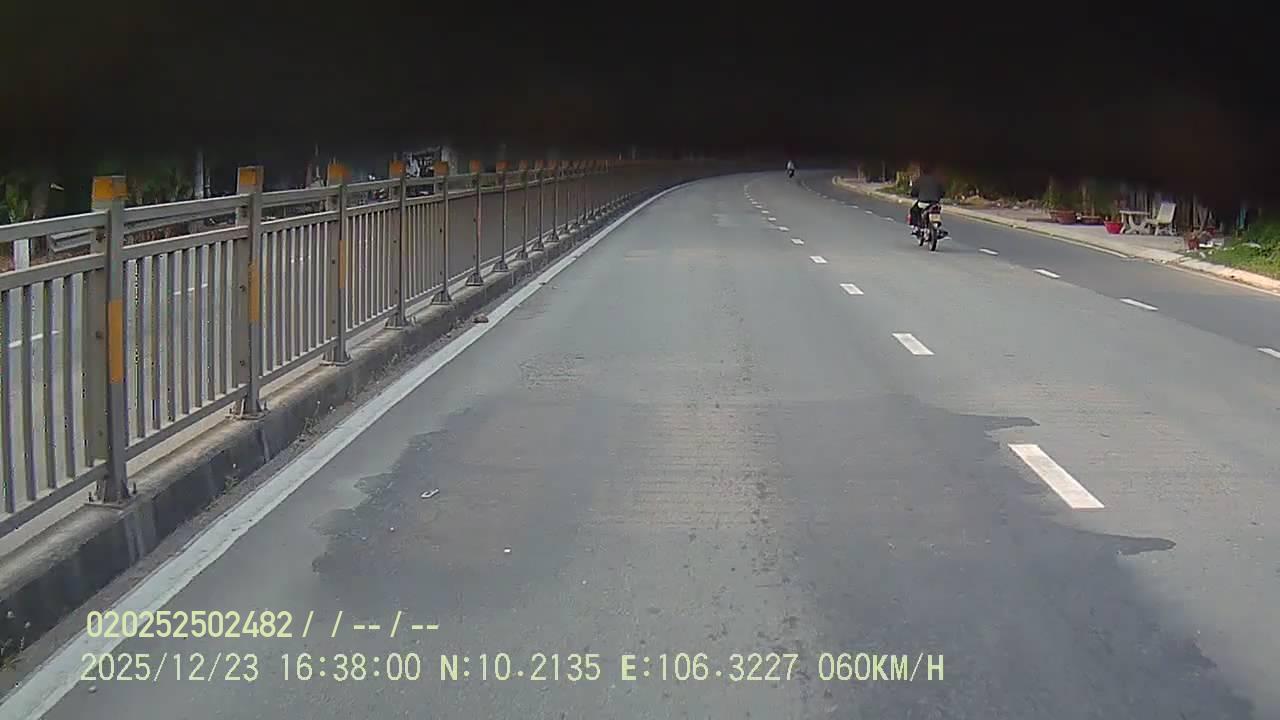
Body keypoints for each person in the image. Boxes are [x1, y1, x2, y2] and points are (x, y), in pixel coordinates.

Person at [909, 164, 944, 230]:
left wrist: (913, 194)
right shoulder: (937, 180)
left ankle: (916, 226)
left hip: (923, 202)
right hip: (935, 202)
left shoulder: (920, 180)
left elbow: (914, 192)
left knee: (914, 210)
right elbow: (942, 192)